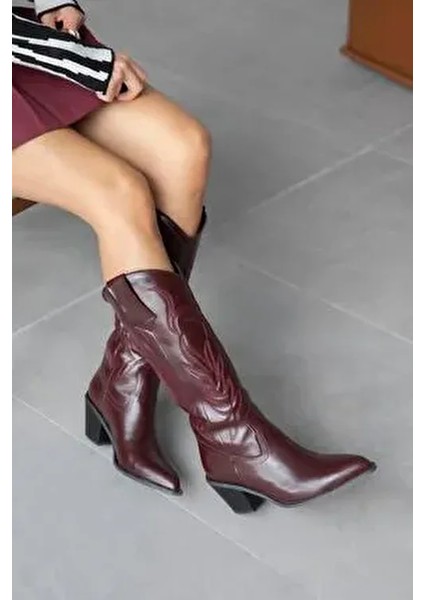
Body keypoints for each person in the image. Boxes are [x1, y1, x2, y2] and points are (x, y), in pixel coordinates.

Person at [12, 0, 376, 514]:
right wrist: (82, 63)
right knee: (119, 193)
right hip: (29, 50)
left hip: (20, 44)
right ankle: (237, 441)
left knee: (184, 148)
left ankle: (122, 384)